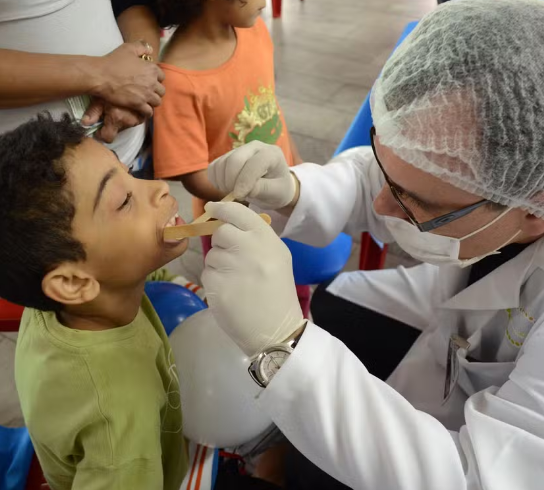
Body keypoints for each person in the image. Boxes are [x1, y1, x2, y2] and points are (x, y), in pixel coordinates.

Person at [198, 0, 544, 488]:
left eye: (414, 201)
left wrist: (285, 347)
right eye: (386, 167)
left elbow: (475, 477)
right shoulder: (501, 183)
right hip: (448, 313)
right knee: (334, 304)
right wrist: (295, 189)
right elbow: (391, 177)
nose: (380, 203)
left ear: (532, 210)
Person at [0, 114, 192, 490]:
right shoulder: (121, 419)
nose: (158, 188)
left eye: (129, 173)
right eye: (124, 201)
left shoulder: (53, 304)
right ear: (72, 282)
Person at [150, 0, 308, 313]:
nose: (265, 3)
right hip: (234, 223)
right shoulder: (178, 79)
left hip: (285, 199)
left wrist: (297, 163)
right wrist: (259, 199)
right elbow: (194, 176)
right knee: (248, 305)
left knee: (294, 284)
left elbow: (268, 103)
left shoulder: (253, 29)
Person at [0, 0, 164, 187]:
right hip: (12, 187)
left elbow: (131, 2)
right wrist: (103, 76)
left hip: (121, 154)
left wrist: (140, 68)